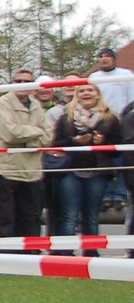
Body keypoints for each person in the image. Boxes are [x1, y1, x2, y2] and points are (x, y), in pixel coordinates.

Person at [52, 81, 121, 253]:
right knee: (70, 215)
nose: (86, 93)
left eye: (90, 90)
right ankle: (66, 254)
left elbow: (118, 150)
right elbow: (55, 144)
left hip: (98, 172)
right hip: (71, 170)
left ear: (98, 94)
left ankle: (91, 253)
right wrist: (74, 141)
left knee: (91, 216)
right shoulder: (66, 117)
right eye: (82, 90)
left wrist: (103, 142)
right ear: (77, 95)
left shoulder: (111, 118)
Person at [0, 68, 48, 239]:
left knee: (31, 217)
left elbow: (49, 136)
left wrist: (28, 138)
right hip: (6, 170)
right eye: (18, 81)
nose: (22, 85)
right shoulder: (3, 103)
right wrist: (37, 132)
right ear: (12, 83)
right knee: (6, 219)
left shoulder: (36, 105)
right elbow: (10, 134)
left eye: (26, 82)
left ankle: (31, 252)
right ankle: (6, 253)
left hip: (32, 172)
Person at [90, 48, 134, 117]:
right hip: (100, 116)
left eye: (107, 56)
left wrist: (127, 113)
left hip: (122, 115)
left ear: (114, 59)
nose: (104, 59)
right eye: (101, 57)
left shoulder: (126, 74)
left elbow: (132, 96)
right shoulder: (93, 77)